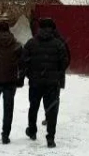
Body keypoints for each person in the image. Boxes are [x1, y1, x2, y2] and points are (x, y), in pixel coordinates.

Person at [22, 17, 70, 148]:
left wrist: (31, 75)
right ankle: (50, 137)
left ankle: (32, 131)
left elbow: (23, 62)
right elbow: (65, 62)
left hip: (35, 82)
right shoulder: (58, 44)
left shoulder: (31, 43)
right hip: (52, 84)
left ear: (39, 28)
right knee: (51, 110)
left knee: (33, 107)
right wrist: (56, 73)